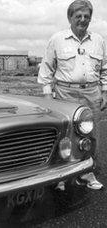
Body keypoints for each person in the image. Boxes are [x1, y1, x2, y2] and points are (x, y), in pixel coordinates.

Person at [38, 0, 106, 190]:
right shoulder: (57, 39)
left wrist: (105, 93)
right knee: (65, 135)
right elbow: (46, 71)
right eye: (78, 16)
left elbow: (105, 70)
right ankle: (61, 176)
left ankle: (88, 172)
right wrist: (47, 96)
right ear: (70, 18)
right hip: (64, 92)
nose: (83, 20)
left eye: (86, 16)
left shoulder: (99, 40)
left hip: (92, 92)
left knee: (92, 134)